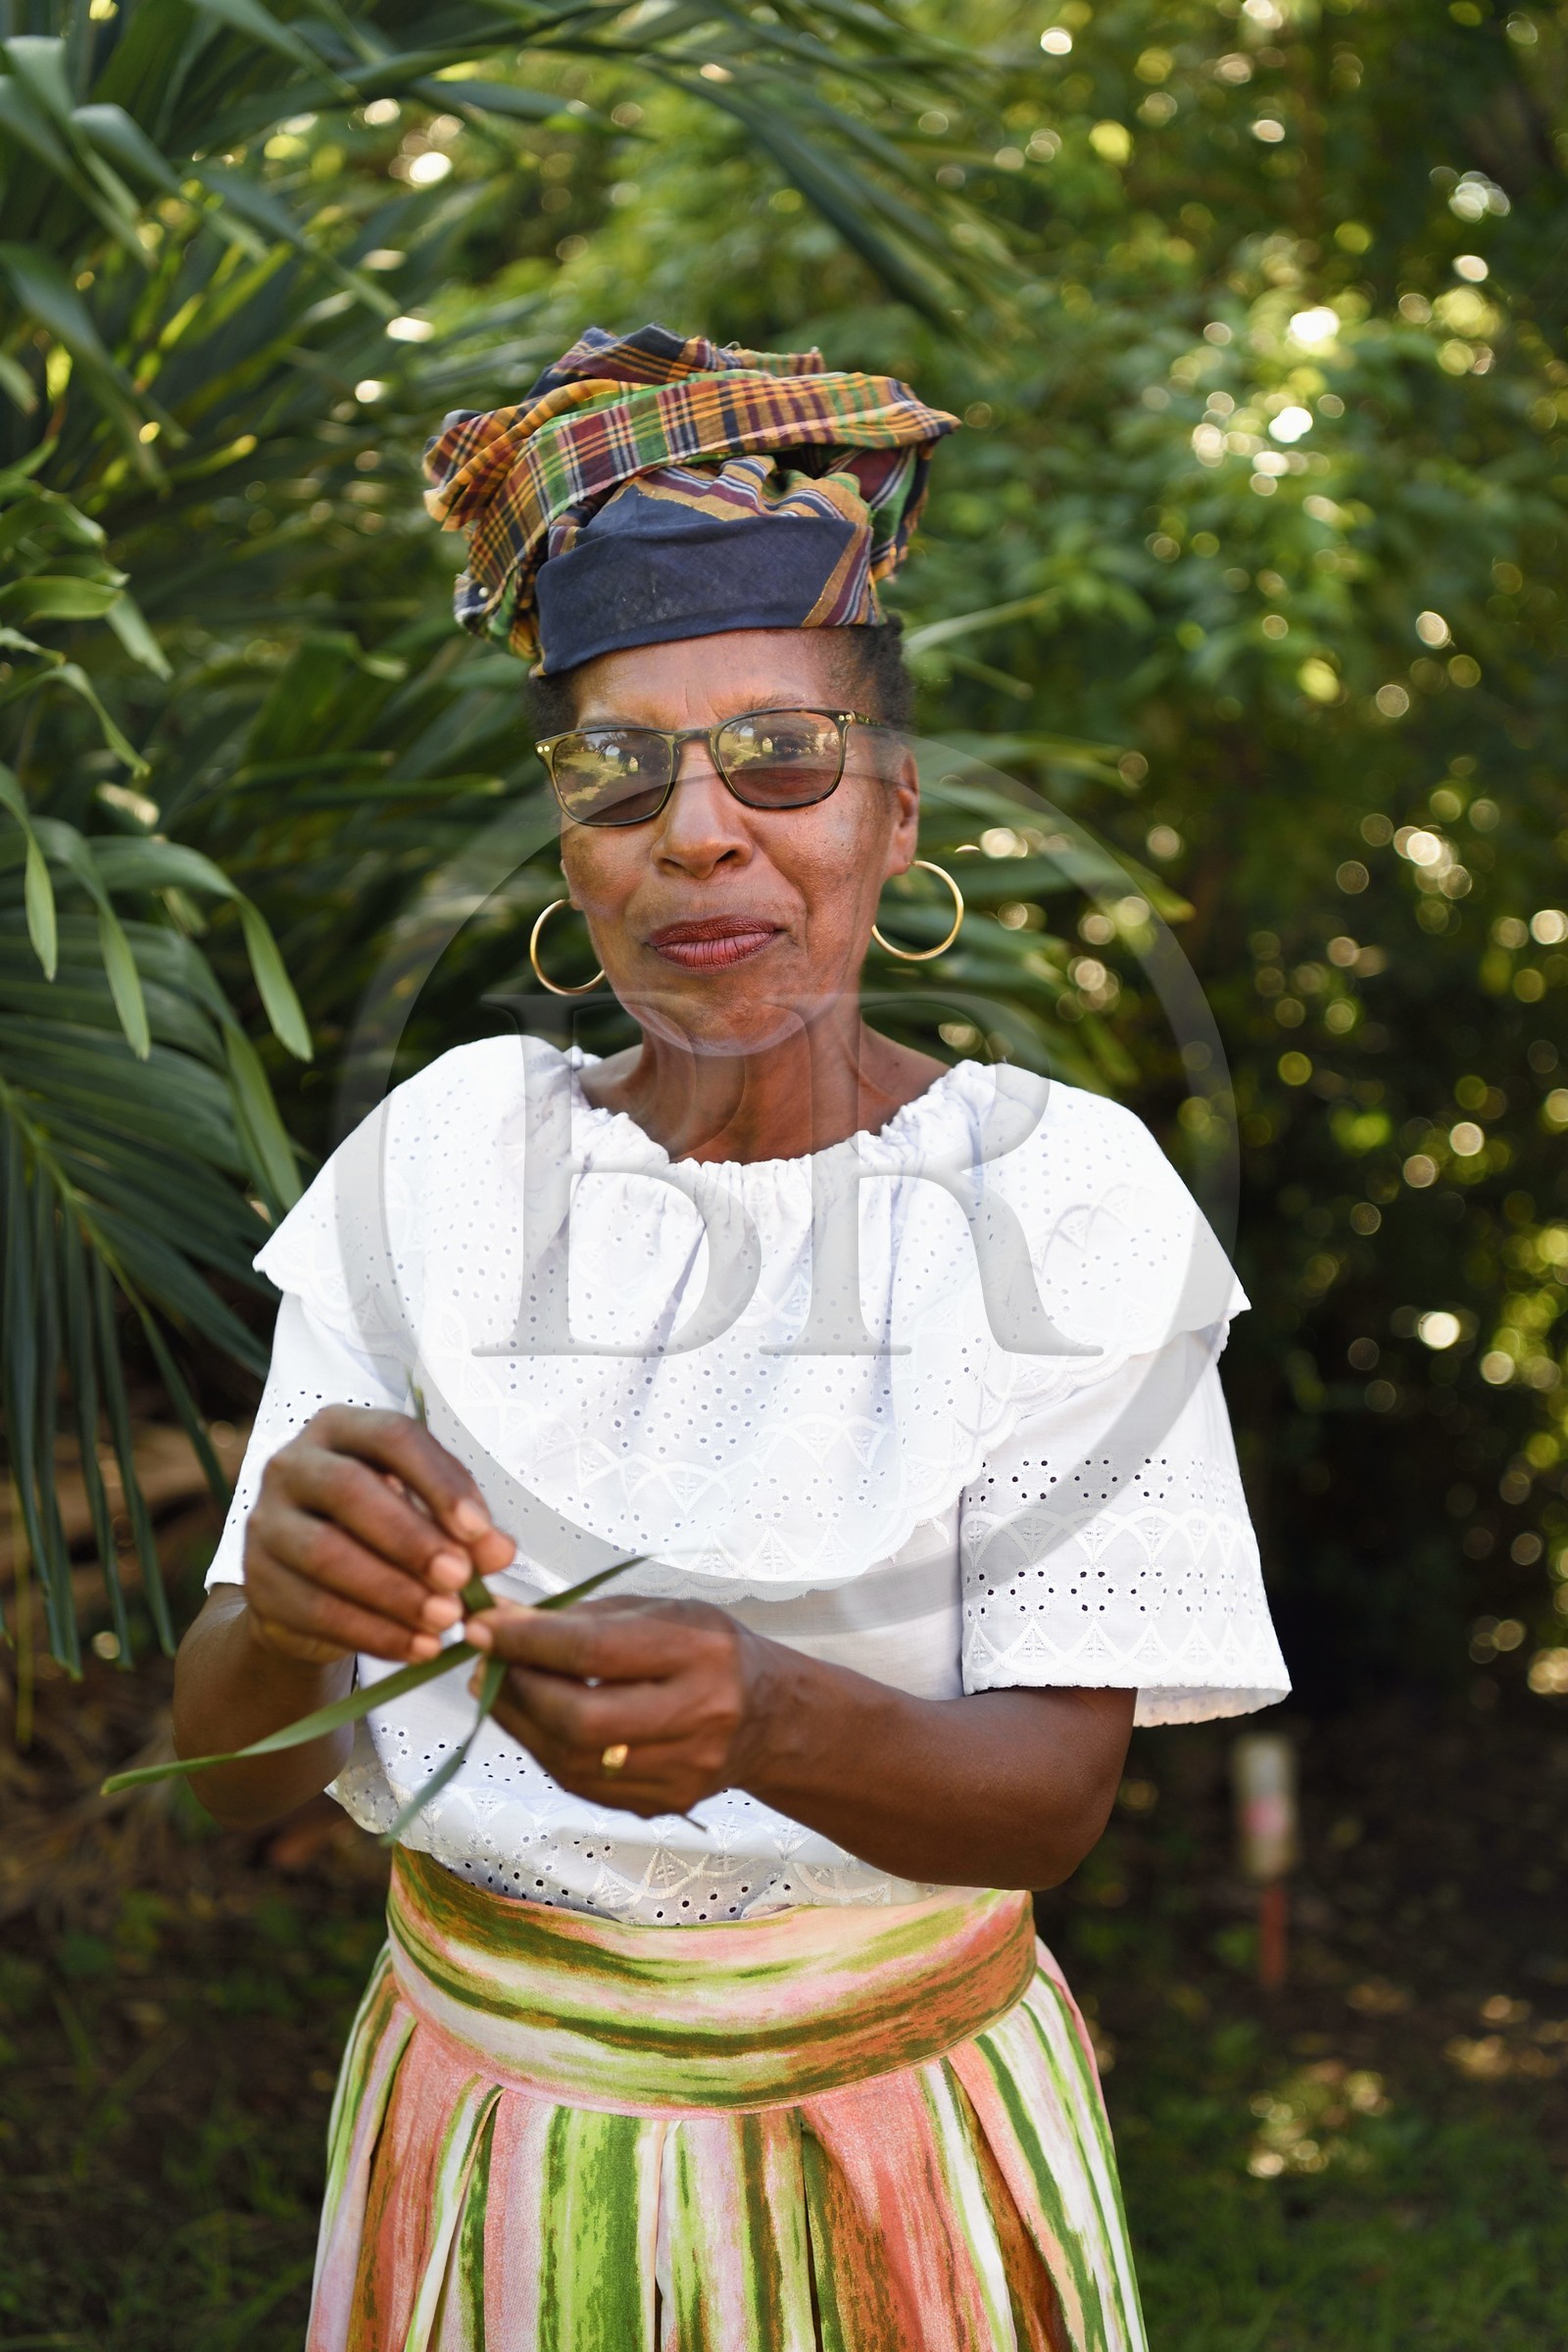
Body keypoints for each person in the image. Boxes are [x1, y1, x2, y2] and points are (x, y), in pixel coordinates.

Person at [172, 323, 1289, 2352]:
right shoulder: (440, 1161)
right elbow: (223, 1777)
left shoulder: (1059, 1194)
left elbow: (1051, 1797)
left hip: (898, 2149)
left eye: (781, 756)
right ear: (569, 844)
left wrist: (769, 1720)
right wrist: (283, 1618)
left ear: (895, 813)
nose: (699, 832)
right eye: (620, 771)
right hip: (480, 2126)